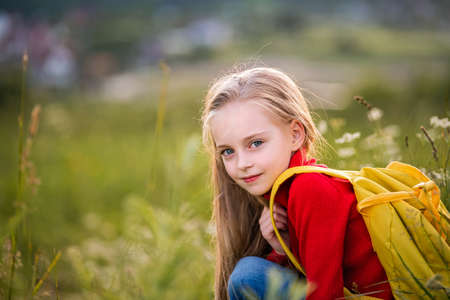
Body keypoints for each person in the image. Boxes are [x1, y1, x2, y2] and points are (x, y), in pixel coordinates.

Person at [201, 66, 393, 300]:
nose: (242, 163)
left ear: (295, 135)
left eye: (256, 143)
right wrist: (284, 249)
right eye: (228, 151)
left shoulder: (309, 187)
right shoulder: (286, 193)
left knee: (248, 276)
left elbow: (325, 293)